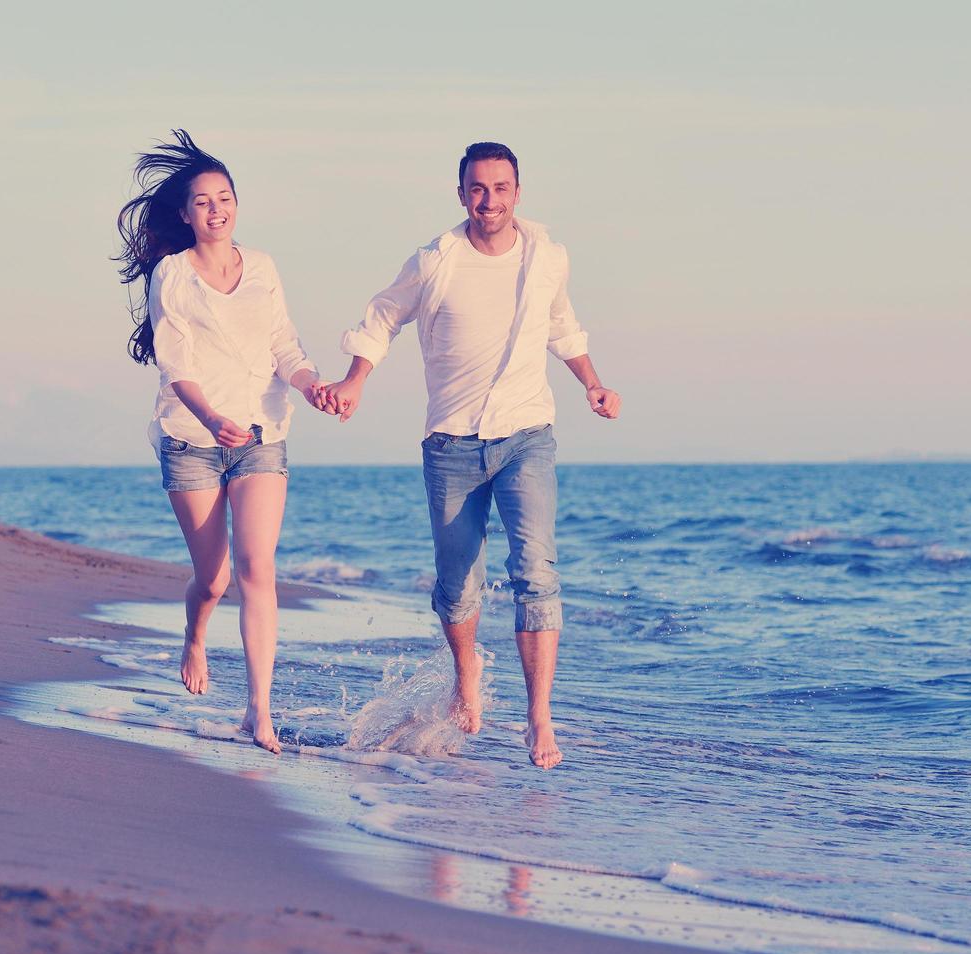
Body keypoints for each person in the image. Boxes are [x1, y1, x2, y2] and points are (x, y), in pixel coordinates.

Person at [323, 141, 621, 770]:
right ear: (461, 194)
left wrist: (591, 380)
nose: (490, 202)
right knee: (457, 585)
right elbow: (382, 316)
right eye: (478, 190)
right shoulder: (436, 261)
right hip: (452, 442)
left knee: (535, 571)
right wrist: (354, 380)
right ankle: (467, 675)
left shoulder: (546, 257)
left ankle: (539, 716)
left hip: (526, 435)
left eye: (502, 188)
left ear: (519, 192)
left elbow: (562, 326)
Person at [115, 130, 333, 755]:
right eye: (204, 201)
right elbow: (176, 367)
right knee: (212, 579)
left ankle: (259, 709)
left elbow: (284, 345)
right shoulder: (171, 276)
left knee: (257, 569)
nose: (217, 209)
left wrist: (312, 384)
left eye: (226, 198)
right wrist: (211, 419)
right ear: (184, 214)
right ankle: (195, 632)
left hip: (262, 433)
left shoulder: (262, 267)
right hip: (192, 437)